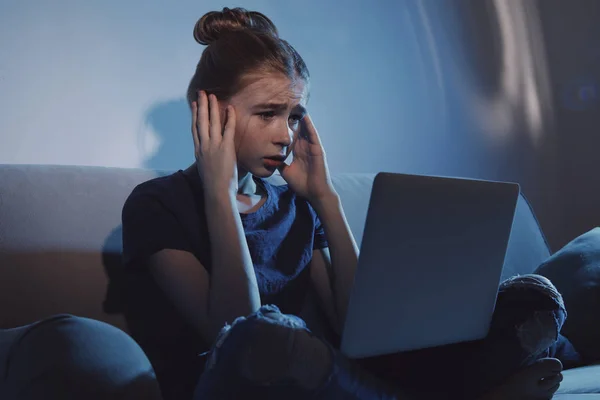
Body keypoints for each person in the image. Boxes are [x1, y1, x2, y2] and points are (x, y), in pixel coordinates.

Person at [0, 6, 578, 400]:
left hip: (332, 372)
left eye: (294, 116)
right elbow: (231, 329)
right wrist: (220, 197)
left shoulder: (296, 205)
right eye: (268, 114)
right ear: (212, 111)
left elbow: (361, 329)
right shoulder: (157, 205)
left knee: (531, 298)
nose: (284, 134)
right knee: (267, 336)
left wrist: (324, 199)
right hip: (240, 379)